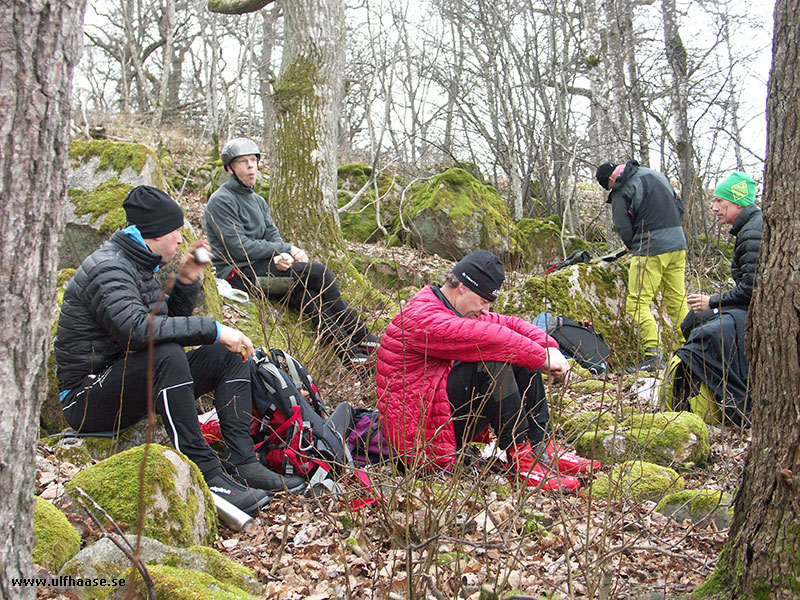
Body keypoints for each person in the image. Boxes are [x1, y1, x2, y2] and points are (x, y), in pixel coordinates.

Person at [55, 185, 305, 516]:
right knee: (169, 355)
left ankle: (242, 461)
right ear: (153, 233)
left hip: (126, 379)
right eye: (173, 231)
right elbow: (138, 332)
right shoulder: (109, 267)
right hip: (86, 399)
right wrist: (215, 329)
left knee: (228, 355)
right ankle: (206, 472)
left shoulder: (138, 263)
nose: (178, 239)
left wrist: (186, 282)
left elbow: (161, 326)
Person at [375, 250, 600, 492]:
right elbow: (492, 338)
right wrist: (540, 357)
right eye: (483, 302)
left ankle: (541, 445)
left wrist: (549, 346)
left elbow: (511, 324)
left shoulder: (453, 308)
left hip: (442, 418)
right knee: (494, 360)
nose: (485, 311)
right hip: (421, 438)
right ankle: (522, 462)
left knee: (518, 354)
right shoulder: (422, 315)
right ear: (462, 286)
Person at [204, 138, 377, 367]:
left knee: (306, 297)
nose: (250, 166)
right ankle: (362, 335)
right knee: (318, 273)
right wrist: (285, 249)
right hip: (240, 275)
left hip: (264, 267)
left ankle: (350, 354)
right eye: (243, 162)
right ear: (229, 168)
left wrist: (282, 256)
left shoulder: (257, 200)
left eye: (253, 161)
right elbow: (239, 247)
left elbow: (272, 235)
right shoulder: (220, 201)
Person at [669, 172, 762, 426]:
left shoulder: (754, 231)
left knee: (706, 330)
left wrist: (713, 301)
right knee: (692, 321)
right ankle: (699, 395)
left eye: (720, 201)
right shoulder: (748, 228)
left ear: (737, 203)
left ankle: (732, 403)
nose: (714, 208)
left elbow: (752, 289)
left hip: (754, 312)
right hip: (746, 308)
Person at [595, 160, 690, 372]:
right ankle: (695, 345)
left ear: (610, 180)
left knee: (637, 303)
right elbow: (679, 206)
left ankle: (653, 355)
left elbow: (622, 225)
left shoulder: (622, 187)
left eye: (608, 188)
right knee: (676, 298)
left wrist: (632, 245)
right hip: (678, 244)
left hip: (650, 248)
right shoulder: (657, 175)